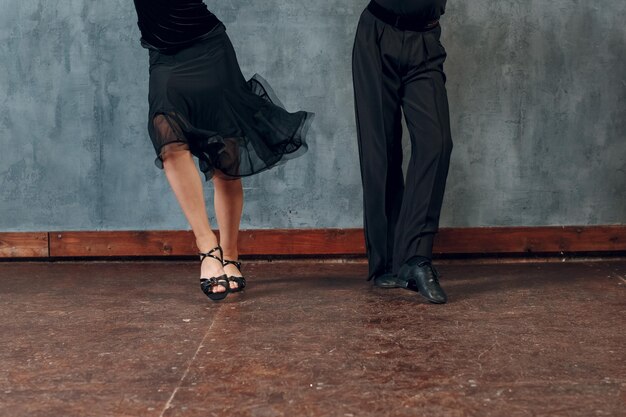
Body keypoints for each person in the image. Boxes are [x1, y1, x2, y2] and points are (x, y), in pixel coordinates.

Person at [132, 0, 314, 301]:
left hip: (211, 50)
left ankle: (230, 255)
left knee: (226, 156)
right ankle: (207, 247)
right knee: (168, 136)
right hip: (165, 57)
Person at [352, 0, 452, 304]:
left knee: (437, 142)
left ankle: (416, 257)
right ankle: (388, 262)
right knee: (381, 152)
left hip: (425, 40)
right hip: (377, 36)